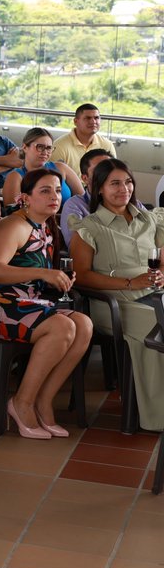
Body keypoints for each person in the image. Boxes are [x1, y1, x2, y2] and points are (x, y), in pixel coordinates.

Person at [0, 169, 94, 439]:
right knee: (62, 327)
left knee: (83, 324)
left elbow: (32, 274)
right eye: (45, 191)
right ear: (26, 197)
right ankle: (21, 402)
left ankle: (43, 400)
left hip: (28, 303)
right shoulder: (13, 225)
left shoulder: (46, 226)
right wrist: (43, 273)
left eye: (58, 190)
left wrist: (55, 279)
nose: (54, 196)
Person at [71, 158, 164, 431]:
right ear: (98, 188)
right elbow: (82, 275)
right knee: (155, 326)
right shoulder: (89, 227)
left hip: (152, 295)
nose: (123, 188)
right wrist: (128, 283)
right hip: (111, 303)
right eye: (114, 183)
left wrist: (160, 275)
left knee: (156, 318)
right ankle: (156, 417)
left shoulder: (149, 218)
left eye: (127, 182)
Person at [2, 127, 82, 213]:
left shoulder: (61, 168)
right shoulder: (15, 177)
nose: (45, 152)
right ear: (25, 147)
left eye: (49, 148)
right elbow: (13, 213)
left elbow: (83, 200)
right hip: (33, 224)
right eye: (40, 147)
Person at [60, 148, 114, 246]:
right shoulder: (75, 206)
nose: (106, 174)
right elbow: (77, 248)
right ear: (85, 178)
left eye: (110, 170)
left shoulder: (128, 201)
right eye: (99, 170)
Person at [51, 103, 115, 173]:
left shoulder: (107, 145)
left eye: (96, 118)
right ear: (75, 121)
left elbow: (114, 172)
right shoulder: (60, 146)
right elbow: (54, 178)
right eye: (88, 118)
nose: (93, 121)